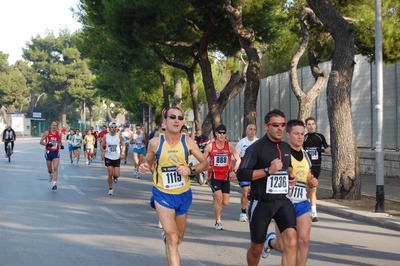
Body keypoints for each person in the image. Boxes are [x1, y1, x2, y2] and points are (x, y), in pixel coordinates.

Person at [138, 106, 208, 266]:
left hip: (183, 195)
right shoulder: (155, 143)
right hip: (162, 194)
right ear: (165, 120)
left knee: (178, 238)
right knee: (173, 237)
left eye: (180, 117)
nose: (177, 120)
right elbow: (147, 163)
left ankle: (168, 238)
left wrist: (190, 169)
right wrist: (143, 167)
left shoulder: (188, 142)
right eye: (172, 117)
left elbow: (205, 164)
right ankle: (169, 238)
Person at [236, 109, 297, 266]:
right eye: (275, 124)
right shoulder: (256, 148)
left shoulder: (285, 147)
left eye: (283, 124)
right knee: (256, 248)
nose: (280, 128)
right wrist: (267, 171)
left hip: (282, 201)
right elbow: (242, 174)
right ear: (266, 126)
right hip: (261, 203)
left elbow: (287, 168)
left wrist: (290, 176)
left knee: (291, 242)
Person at [262, 119, 318, 265]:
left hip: (301, 202)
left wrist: (312, 181)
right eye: (296, 134)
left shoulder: (306, 155)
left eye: (302, 134)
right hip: (283, 203)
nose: (300, 137)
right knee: (283, 246)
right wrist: (288, 175)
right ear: (288, 134)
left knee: (304, 241)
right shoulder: (281, 153)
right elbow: (286, 170)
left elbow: (308, 176)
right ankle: (270, 241)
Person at [203, 124, 241, 230]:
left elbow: (238, 159)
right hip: (214, 176)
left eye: (224, 133)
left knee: (225, 202)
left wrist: (235, 171)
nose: (222, 135)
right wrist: (206, 165)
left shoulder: (230, 146)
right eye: (220, 133)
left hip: (226, 177)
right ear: (216, 133)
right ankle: (218, 221)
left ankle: (215, 200)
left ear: (226, 134)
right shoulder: (210, 146)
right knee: (219, 198)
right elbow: (202, 159)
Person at [303, 117, 331, 222]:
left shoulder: (320, 137)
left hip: (317, 166)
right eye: (309, 124)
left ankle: (306, 206)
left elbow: (328, 150)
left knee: (312, 188)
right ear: (306, 126)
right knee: (312, 187)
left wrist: (322, 150)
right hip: (307, 166)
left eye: (312, 124)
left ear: (315, 125)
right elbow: (300, 150)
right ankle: (313, 212)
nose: (311, 126)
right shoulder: (304, 138)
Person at [235, 124, 258, 222]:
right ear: (246, 130)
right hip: (244, 170)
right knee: (245, 192)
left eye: (254, 129)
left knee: (254, 192)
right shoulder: (242, 142)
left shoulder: (258, 142)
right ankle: (243, 212)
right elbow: (236, 157)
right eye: (250, 129)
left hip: (255, 171)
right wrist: (235, 169)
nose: (252, 131)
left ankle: (253, 210)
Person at [100, 121, 126, 195]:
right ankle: (111, 188)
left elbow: (123, 145)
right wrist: (103, 150)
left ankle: (115, 177)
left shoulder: (119, 136)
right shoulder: (106, 136)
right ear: (109, 128)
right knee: (110, 173)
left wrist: (123, 153)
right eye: (112, 127)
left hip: (117, 157)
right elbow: (101, 145)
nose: (114, 128)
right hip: (108, 156)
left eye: (115, 127)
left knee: (117, 174)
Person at [40, 121, 64, 190]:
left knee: (55, 168)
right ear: (51, 126)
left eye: (55, 125)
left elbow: (59, 141)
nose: (54, 127)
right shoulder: (47, 133)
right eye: (53, 125)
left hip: (55, 152)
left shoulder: (59, 133)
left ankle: (54, 183)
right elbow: (41, 142)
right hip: (48, 152)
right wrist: (47, 144)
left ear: (57, 126)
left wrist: (61, 145)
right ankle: (50, 174)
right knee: (50, 169)